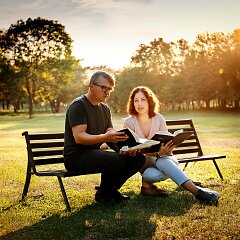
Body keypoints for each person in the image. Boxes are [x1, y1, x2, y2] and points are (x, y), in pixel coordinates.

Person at [123, 86, 219, 205]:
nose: (139, 103)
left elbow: (166, 139)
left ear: (149, 101)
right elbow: (133, 150)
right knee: (153, 170)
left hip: (167, 158)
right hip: (146, 163)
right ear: (132, 102)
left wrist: (168, 148)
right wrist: (158, 153)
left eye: (143, 99)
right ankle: (195, 189)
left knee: (161, 163)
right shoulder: (129, 122)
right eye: (136, 100)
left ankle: (148, 186)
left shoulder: (159, 118)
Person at [63, 71, 146, 204]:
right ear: (91, 86)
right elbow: (79, 137)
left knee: (138, 158)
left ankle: (107, 190)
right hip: (76, 157)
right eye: (104, 88)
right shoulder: (79, 106)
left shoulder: (105, 109)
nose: (107, 92)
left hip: (94, 154)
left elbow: (110, 132)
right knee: (116, 160)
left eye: (110, 89)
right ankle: (107, 192)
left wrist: (124, 149)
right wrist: (105, 137)